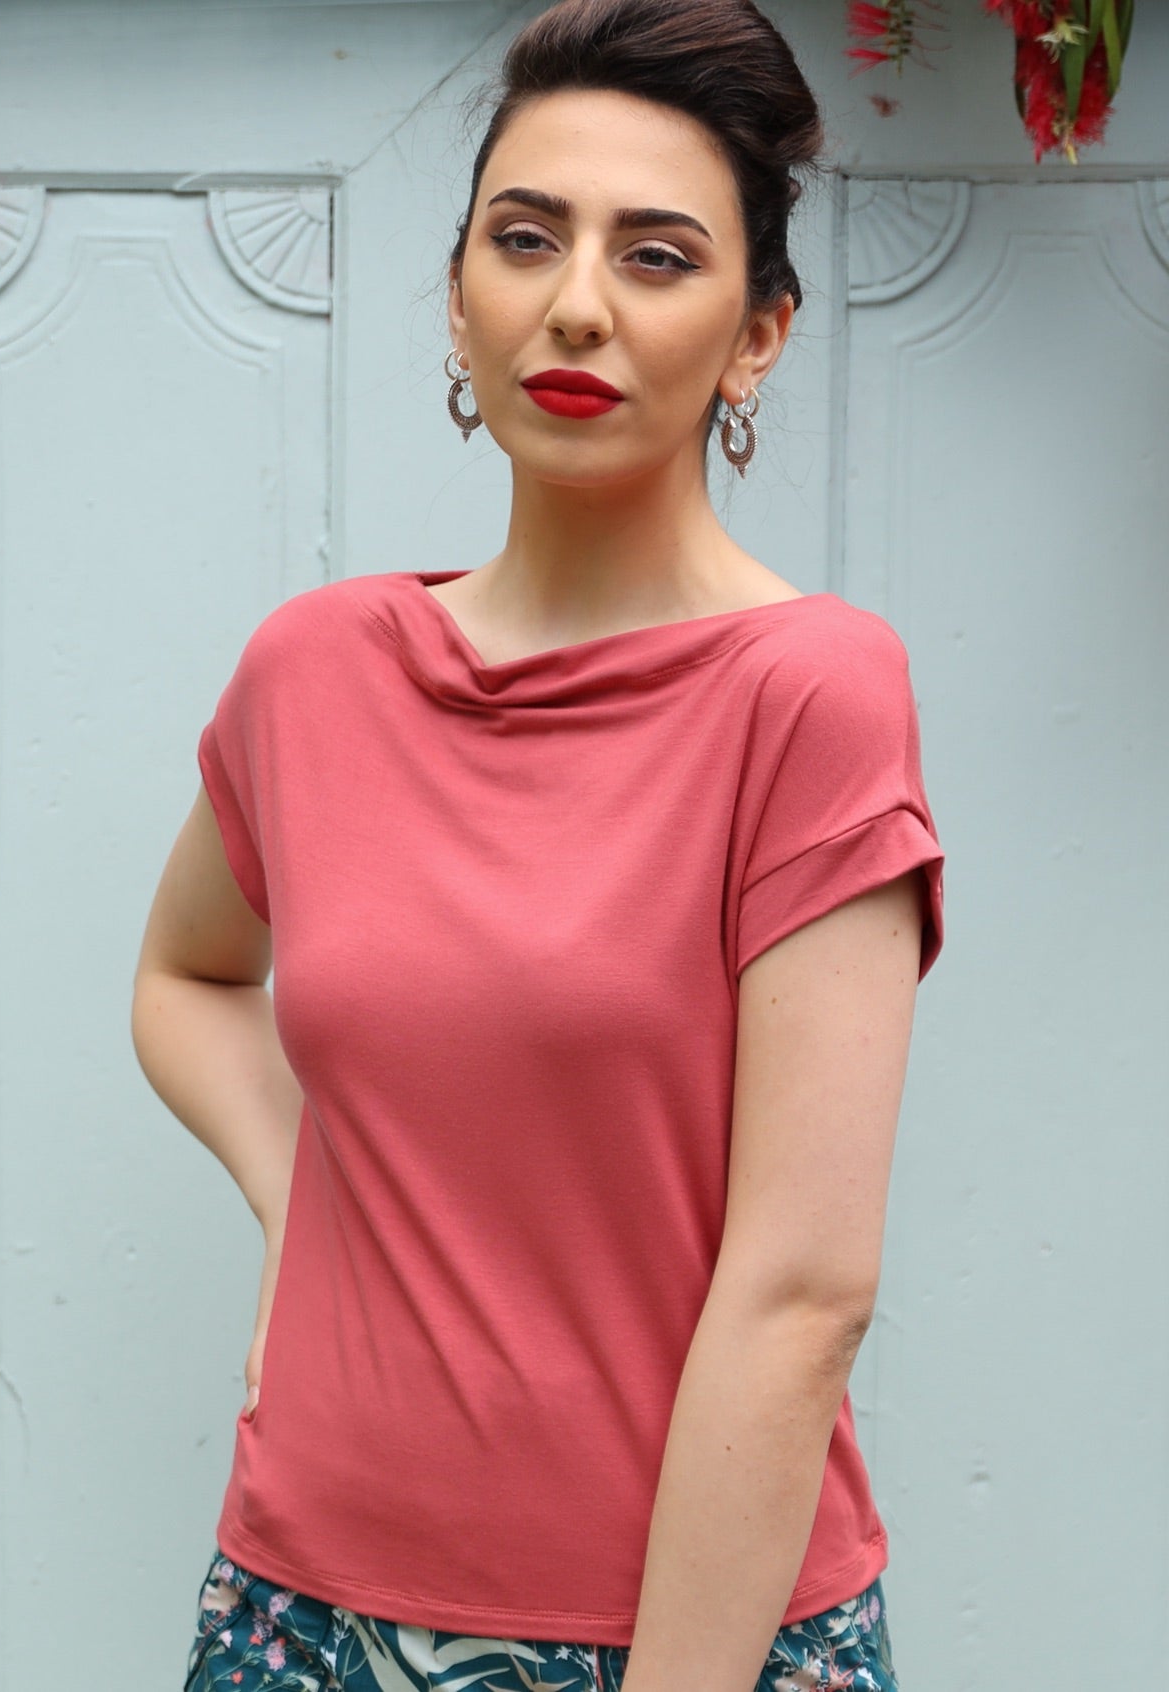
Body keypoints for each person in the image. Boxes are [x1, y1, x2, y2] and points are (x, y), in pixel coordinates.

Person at [131, 1, 946, 1689]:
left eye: (658, 257)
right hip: (299, 1612)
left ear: (759, 336)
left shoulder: (810, 692)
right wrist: (307, 1205)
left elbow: (804, 1298)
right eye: (527, 238)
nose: (577, 301)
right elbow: (189, 976)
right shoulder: (318, 667)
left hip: (689, 1642)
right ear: (458, 297)